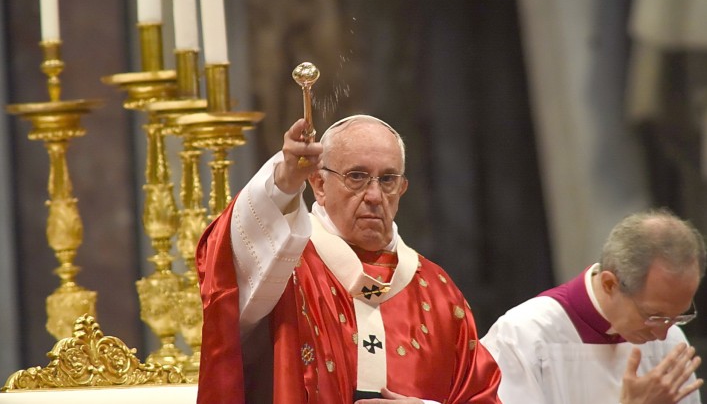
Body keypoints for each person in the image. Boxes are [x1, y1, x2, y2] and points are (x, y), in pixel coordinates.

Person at [195, 115, 502, 403]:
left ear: (403, 188)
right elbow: (226, 271)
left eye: (388, 179)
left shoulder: (438, 292)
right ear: (318, 184)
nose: (373, 195)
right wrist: (283, 181)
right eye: (357, 176)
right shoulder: (285, 265)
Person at [481, 209, 706, 403]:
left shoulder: (671, 343)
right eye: (654, 316)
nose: (662, 333)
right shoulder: (523, 336)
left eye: (679, 316)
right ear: (609, 284)